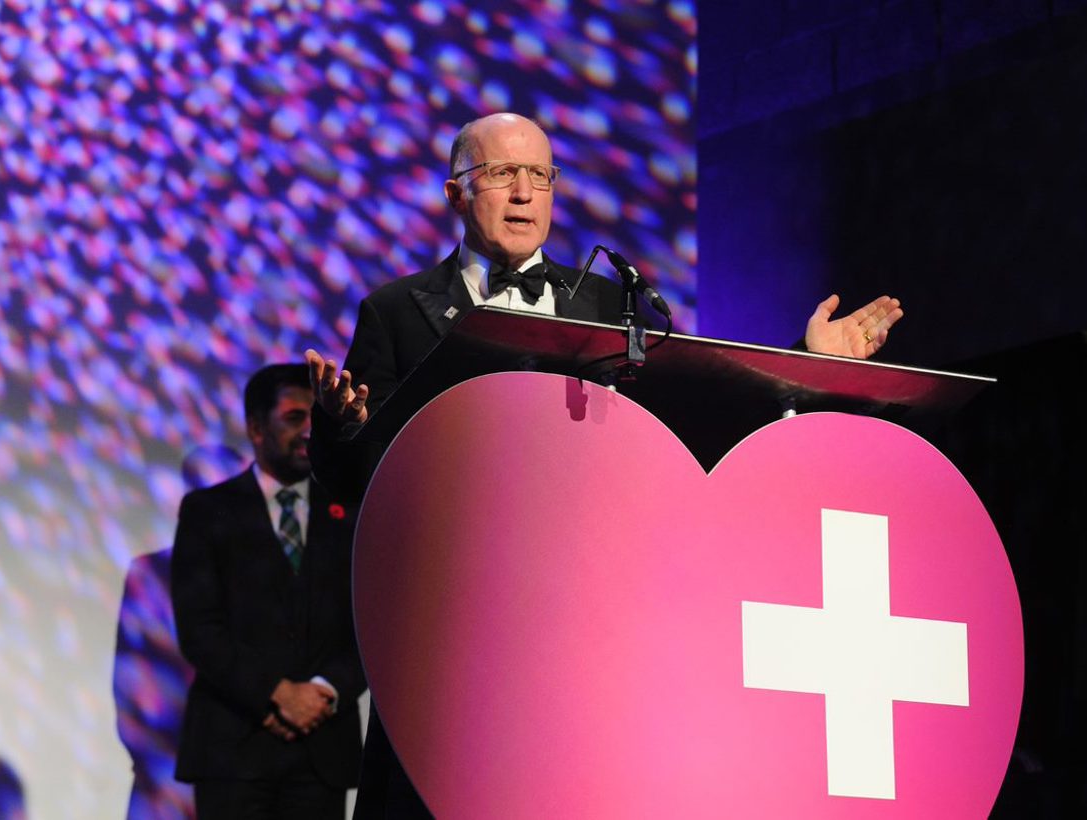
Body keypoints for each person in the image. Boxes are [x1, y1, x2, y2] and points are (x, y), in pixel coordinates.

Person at [304, 112, 904, 818]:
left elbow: (694, 412)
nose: (524, 193)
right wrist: (340, 426)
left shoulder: (608, 303)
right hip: (453, 631)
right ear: (455, 195)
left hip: (584, 626)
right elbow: (357, 482)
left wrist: (804, 364)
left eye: (540, 176)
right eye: (501, 174)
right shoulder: (397, 311)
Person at [170, 363, 366, 820]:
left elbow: (369, 627)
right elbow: (200, 629)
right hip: (234, 749)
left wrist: (323, 691)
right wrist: (277, 694)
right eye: (294, 418)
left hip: (322, 755)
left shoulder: (351, 513)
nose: (307, 432)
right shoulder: (207, 511)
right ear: (257, 428)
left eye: (315, 419)